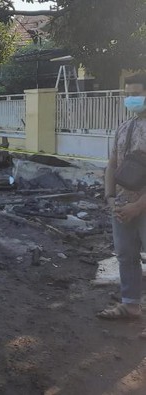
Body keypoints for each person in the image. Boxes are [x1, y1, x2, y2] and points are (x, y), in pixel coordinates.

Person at [99, 73, 146, 339]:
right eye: (127, 93)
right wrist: (111, 198)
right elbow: (112, 163)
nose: (131, 98)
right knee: (125, 256)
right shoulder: (124, 126)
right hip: (122, 204)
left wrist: (139, 205)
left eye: (137, 93)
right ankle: (130, 305)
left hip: (143, 205)